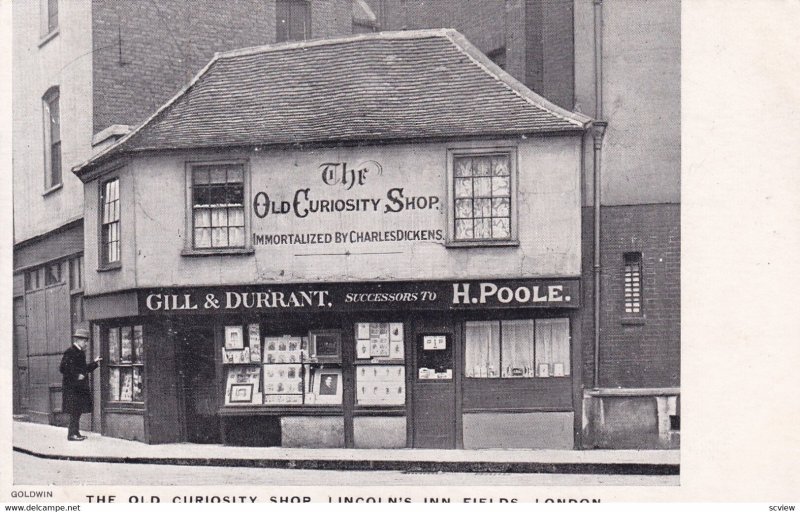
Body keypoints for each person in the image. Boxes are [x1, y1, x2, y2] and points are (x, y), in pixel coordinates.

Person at [59, 328, 102, 441]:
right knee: (74, 411)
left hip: (78, 388)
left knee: (77, 411)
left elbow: (83, 369)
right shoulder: (71, 351)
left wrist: (95, 363)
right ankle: (71, 434)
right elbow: (63, 368)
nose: (86, 343)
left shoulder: (79, 352)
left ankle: (76, 433)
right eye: (84, 341)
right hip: (72, 388)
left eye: (86, 341)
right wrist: (76, 376)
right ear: (78, 340)